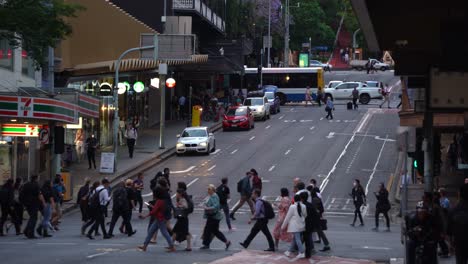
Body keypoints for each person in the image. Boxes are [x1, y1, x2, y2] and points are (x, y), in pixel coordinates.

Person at [138, 187, 175, 252]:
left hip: (159, 219)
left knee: (164, 233)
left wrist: (145, 216)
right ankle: (145, 246)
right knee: (151, 232)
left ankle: (172, 246)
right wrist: (153, 207)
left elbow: (154, 211)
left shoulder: (159, 201)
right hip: (160, 218)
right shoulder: (163, 200)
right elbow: (157, 209)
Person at [201, 184, 231, 250]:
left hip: (214, 216)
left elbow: (216, 206)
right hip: (211, 216)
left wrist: (208, 208)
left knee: (210, 230)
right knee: (213, 231)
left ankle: (206, 244)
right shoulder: (210, 196)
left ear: (213, 190)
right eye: (208, 189)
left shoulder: (214, 196)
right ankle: (226, 242)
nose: (208, 190)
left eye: (209, 189)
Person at [281, 194, 307, 258]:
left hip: (294, 226)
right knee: (295, 238)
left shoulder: (292, 207)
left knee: (297, 239)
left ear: (294, 200)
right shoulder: (303, 206)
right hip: (301, 225)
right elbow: (305, 215)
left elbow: (287, 217)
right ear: (300, 199)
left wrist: (283, 226)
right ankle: (289, 251)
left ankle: (301, 252)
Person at [448, 184, 468, 264]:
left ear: (459, 194)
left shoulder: (453, 210)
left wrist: (451, 244)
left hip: (459, 243)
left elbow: (449, 230)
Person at [300, 192, 321, 258]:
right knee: (308, 239)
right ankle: (308, 253)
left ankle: (300, 251)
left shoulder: (301, 206)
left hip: (303, 224)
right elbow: (316, 215)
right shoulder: (310, 205)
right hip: (310, 225)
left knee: (304, 238)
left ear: (301, 198)